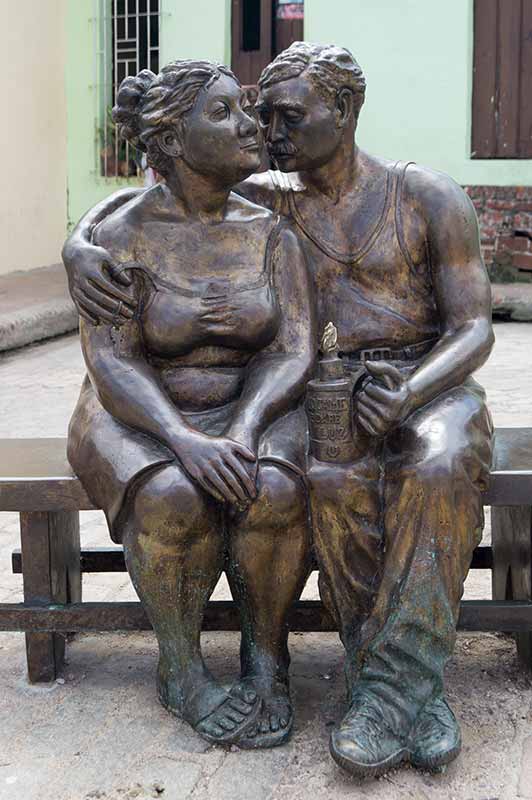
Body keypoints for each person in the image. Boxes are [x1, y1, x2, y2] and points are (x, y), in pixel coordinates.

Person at [63, 43, 494, 777]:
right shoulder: (270, 195)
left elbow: (474, 326)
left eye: (286, 116)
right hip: (327, 393)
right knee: (328, 481)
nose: (269, 132)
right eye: (258, 116)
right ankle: (377, 680)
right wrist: (77, 245)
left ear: (346, 111)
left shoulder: (423, 196)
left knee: (437, 462)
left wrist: (414, 390)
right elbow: (160, 192)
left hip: (425, 381)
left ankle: (398, 688)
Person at [66, 59, 316, 749]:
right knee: (175, 496)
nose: (248, 125)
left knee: (269, 490)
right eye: (224, 113)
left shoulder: (272, 231)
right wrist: (182, 437)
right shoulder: (118, 238)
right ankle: (180, 670)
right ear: (172, 141)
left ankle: (267, 662)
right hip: (135, 412)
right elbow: (112, 361)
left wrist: (241, 426)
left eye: (247, 107)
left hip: (251, 405)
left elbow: (292, 350)